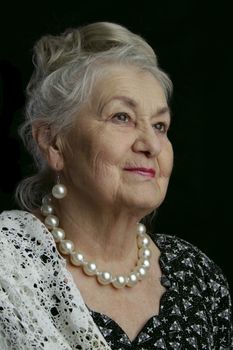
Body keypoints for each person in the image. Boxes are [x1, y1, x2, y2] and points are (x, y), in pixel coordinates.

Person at [0, 21, 232, 350]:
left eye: (160, 125)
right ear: (53, 143)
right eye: (121, 117)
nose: (151, 144)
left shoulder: (197, 275)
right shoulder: (6, 268)